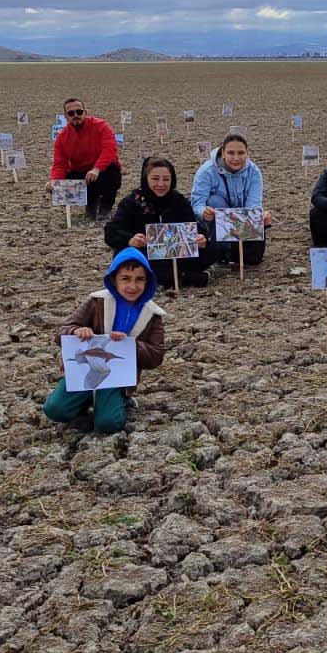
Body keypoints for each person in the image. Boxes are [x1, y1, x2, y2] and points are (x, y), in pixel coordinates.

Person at [43, 248, 166, 434]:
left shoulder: (152, 314)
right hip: (83, 372)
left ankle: (121, 399)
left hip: (117, 379)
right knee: (55, 410)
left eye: (139, 279)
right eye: (125, 279)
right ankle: (85, 399)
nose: (132, 286)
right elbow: (62, 332)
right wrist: (76, 331)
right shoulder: (97, 302)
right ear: (114, 279)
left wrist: (131, 345)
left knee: (109, 424)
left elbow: (156, 355)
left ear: (147, 281)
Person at [104, 156, 213, 288]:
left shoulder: (178, 200)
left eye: (166, 179)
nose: (161, 184)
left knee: (211, 249)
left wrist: (201, 237)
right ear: (146, 178)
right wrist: (130, 239)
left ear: (172, 180)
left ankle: (171, 277)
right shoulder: (132, 201)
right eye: (155, 179)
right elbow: (111, 232)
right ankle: (184, 277)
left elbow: (194, 226)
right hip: (145, 253)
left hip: (177, 254)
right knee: (130, 259)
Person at [191, 134, 274, 266]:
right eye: (231, 153)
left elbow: (253, 205)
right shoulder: (206, 171)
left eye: (241, 153)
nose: (236, 158)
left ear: (247, 154)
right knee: (215, 201)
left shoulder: (254, 172)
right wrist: (204, 212)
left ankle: (235, 248)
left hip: (241, 220)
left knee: (253, 259)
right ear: (223, 153)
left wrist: (259, 217)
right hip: (213, 222)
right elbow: (197, 203)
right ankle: (221, 249)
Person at [48, 98, 121, 221]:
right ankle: (90, 203)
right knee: (60, 183)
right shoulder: (62, 138)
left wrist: (97, 168)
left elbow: (110, 149)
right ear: (66, 116)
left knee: (113, 169)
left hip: (102, 171)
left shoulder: (101, 126)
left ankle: (106, 207)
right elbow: (60, 164)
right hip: (80, 173)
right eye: (71, 113)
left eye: (79, 112)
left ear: (85, 112)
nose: (75, 115)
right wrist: (54, 181)